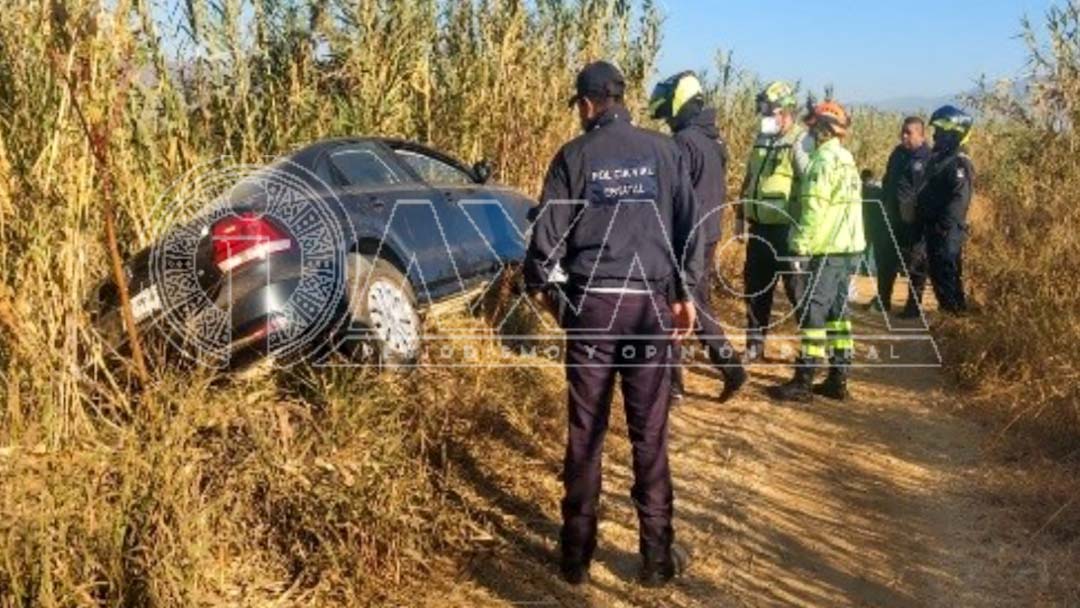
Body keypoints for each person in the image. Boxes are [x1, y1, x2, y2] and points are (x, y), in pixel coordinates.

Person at [524, 61, 702, 588]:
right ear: (621, 99)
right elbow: (690, 230)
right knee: (650, 433)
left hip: (594, 308)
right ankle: (655, 558)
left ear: (585, 105)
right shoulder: (664, 153)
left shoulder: (574, 156)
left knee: (587, 433)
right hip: (649, 307)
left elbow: (544, 244)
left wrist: (552, 296)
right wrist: (685, 294)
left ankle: (575, 558)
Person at [648, 70, 748, 404]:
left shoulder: (683, 142)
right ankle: (706, 373)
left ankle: (684, 382)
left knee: (676, 305)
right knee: (693, 302)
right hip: (707, 232)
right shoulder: (710, 139)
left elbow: (673, 194)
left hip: (687, 236)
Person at [768, 100, 865, 403]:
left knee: (813, 311)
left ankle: (804, 380)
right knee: (838, 314)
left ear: (823, 130)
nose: (807, 132)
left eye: (811, 127)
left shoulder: (820, 164)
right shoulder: (846, 159)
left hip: (827, 249)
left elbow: (813, 211)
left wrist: (799, 248)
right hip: (849, 249)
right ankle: (839, 376)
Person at [736, 81, 814, 362]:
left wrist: (804, 231)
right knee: (756, 290)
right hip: (760, 229)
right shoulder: (762, 138)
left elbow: (809, 186)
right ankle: (754, 346)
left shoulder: (801, 141)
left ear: (784, 112)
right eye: (763, 111)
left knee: (798, 292)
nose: (764, 116)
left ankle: (812, 351)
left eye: (768, 111)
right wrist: (740, 217)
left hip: (787, 231)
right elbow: (749, 180)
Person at [916, 105, 975, 314]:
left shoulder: (959, 162)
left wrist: (945, 225)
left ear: (954, 133)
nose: (935, 136)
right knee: (938, 272)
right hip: (934, 227)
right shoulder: (940, 159)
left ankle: (955, 315)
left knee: (947, 271)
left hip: (947, 230)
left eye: (940, 132)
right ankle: (949, 312)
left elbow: (960, 199)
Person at [879, 117, 932, 316]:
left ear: (921, 134)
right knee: (886, 260)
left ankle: (913, 306)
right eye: (903, 131)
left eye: (909, 132)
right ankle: (883, 301)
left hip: (914, 221)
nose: (904, 136)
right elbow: (888, 179)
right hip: (892, 217)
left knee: (915, 263)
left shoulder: (928, 157)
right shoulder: (897, 153)